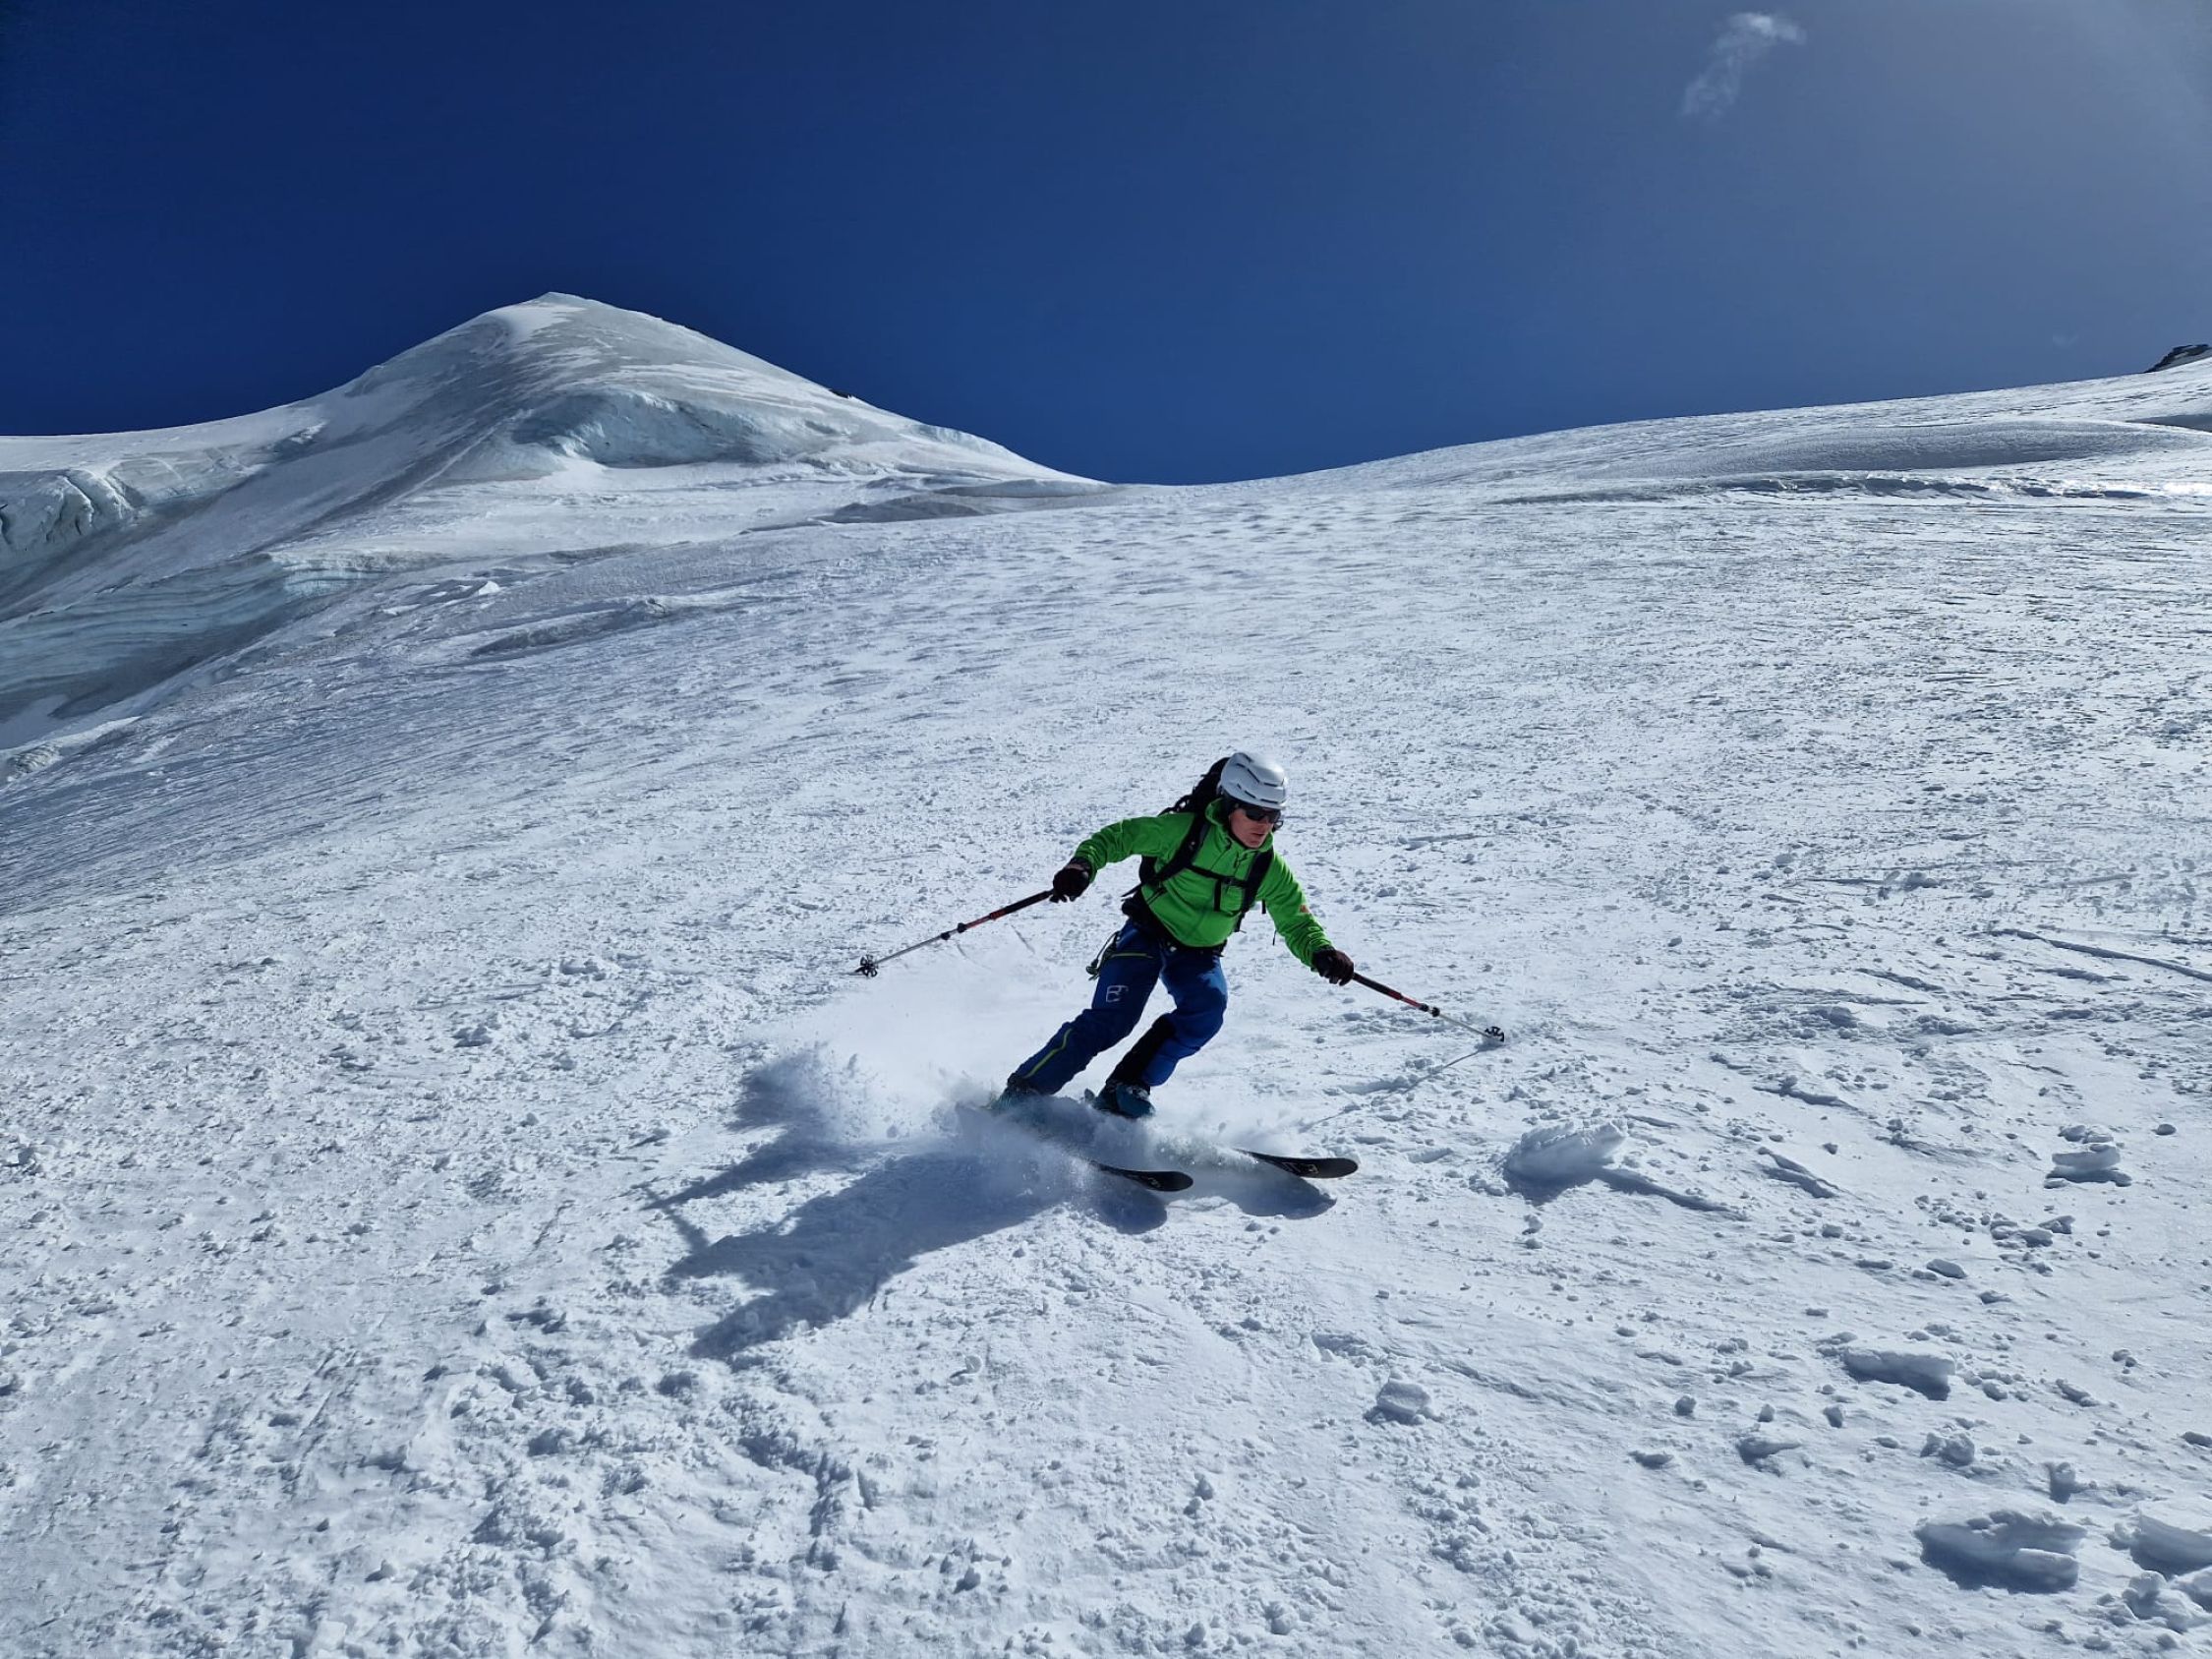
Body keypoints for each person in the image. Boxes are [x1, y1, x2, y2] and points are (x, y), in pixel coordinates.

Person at [1003, 751, 1355, 1117]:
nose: (1263, 825)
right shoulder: (1182, 832)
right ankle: (1024, 1092)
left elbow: (1296, 922)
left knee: (1207, 1010)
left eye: (1273, 816)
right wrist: (1082, 866)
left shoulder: (1268, 868)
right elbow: (1117, 838)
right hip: (1148, 934)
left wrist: (1322, 952)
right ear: (1230, 805)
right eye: (1254, 813)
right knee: (1112, 1019)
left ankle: (1125, 1088)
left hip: (1199, 954)